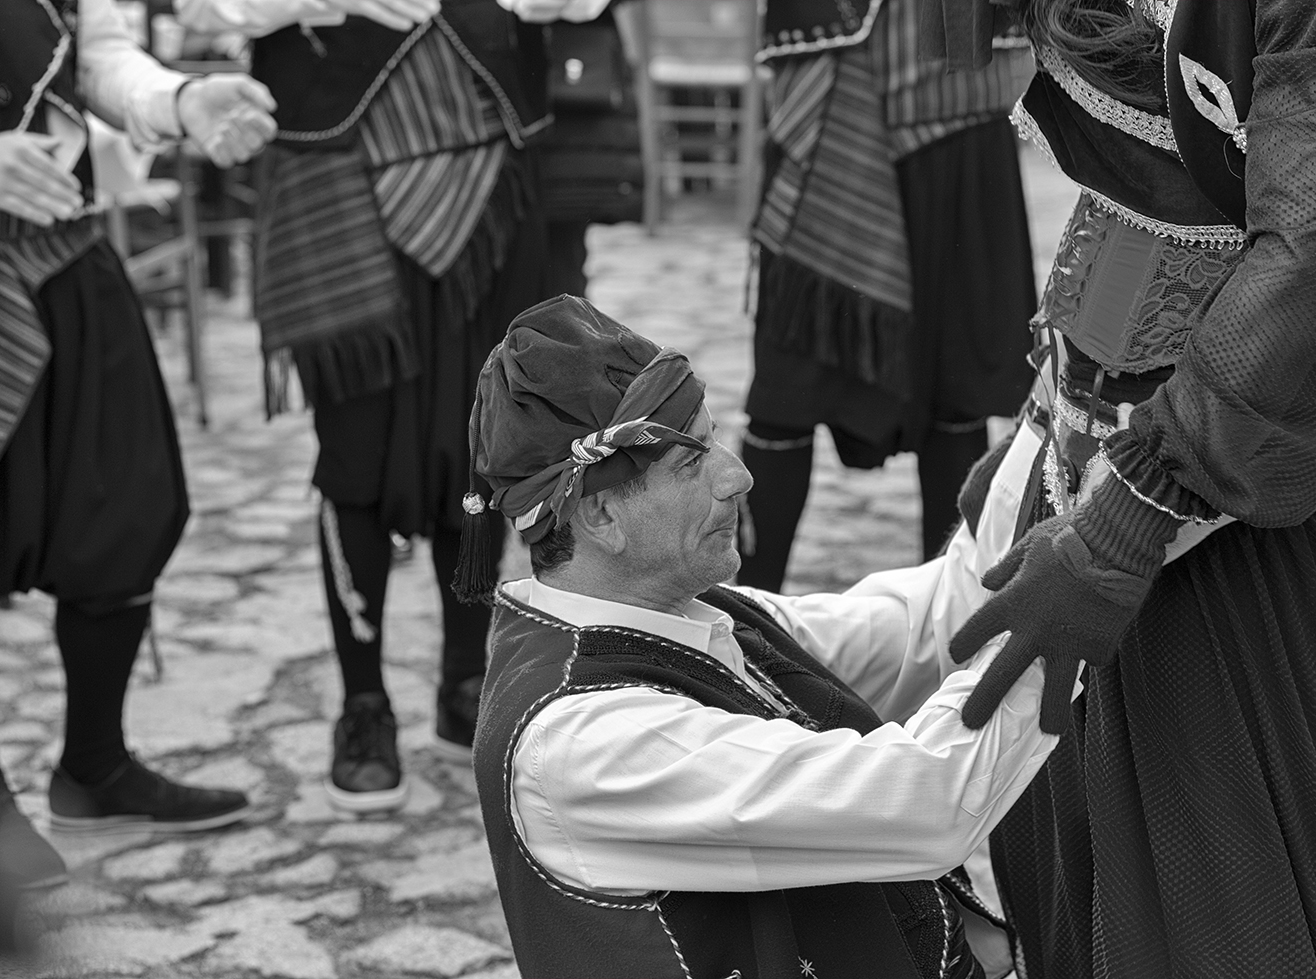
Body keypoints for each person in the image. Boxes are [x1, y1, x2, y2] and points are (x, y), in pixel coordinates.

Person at [925, 0, 1316, 976]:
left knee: (1229, 918)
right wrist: (1044, 421)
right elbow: (1130, 209)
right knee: (1080, 894)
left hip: (1260, 504)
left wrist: (1122, 523)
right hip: (1087, 462)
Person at [454, 294, 1067, 978]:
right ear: (599, 514)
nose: (737, 474)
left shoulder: (692, 614)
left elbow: (926, 625)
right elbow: (922, 802)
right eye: (692, 462)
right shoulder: (581, 742)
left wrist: (1048, 428)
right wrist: (1067, 606)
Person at [177, 0, 554, 812]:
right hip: (333, 157)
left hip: (491, 155)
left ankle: (464, 683)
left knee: (486, 438)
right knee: (352, 453)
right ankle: (363, 706)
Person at [0, 0, 276, 886]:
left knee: (130, 501)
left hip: (61, 245)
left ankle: (94, 766)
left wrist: (180, 99)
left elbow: (100, 57)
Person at [735, 0, 1038, 590]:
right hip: (825, 72)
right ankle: (741, 622)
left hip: (958, 85)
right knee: (786, 394)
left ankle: (956, 626)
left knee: (956, 392)